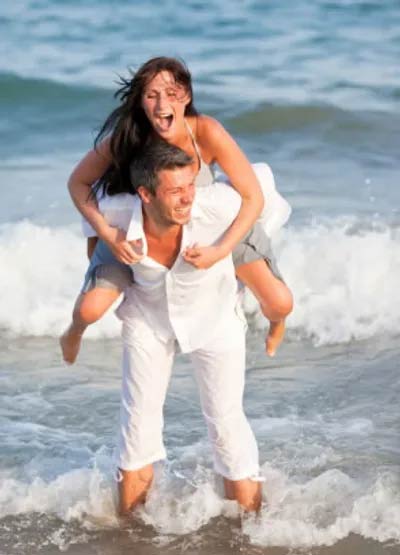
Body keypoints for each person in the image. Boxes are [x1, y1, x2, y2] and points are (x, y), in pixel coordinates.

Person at [60, 57, 293, 364]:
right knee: (88, 310)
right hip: (140, 233)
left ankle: (277, 324)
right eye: (151, 95)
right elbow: (78, 183)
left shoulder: (206, 131)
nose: (161, 104)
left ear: (186, 97)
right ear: (141, 101)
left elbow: (252, 197)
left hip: (209, 231)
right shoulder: (129, 138)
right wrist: (107, 233)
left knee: (280, 303)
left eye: (171, 93)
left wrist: (220, 251)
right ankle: (73, 332)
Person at [112, 139, 263, 513]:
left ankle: (253, 531)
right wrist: (107, 251)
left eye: (190, 186)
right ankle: (129, 538)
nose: (187, 198)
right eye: (175, 190)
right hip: (148, 318)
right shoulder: (118, 211)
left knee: (227, 423)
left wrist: (221, 251)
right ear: (145, 194)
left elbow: (259, 195)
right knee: (137, 424)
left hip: (214, 316)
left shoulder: (217, 205)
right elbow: (84, 201)